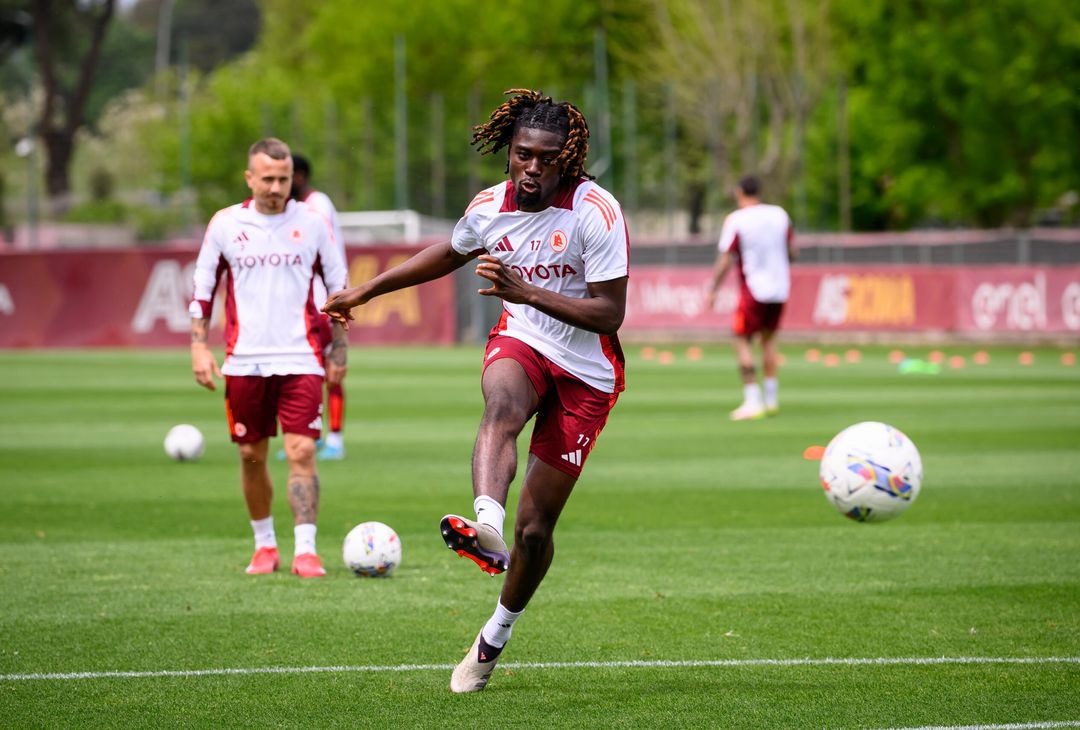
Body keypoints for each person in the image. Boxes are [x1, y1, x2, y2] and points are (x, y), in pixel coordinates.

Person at [322, 89, 629, 692]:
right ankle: (486, 523)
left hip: (588, 370)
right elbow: (449, 252)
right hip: (523, 339)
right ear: (508, 153)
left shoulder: (596, 212)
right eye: (522, 155)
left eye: (546, 158)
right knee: (503, 405)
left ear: (567, 159)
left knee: (536, 531)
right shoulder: (491, 206)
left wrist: (527, 291)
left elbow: (609, 314)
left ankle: (492, 639)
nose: (533, 168)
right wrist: (366, 290)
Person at [189, 137, 349, 578]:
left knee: (301, 451)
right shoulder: (224, 224)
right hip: (244, 361)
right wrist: (198, 347)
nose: (277, 187)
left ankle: (306, 550)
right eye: (268, 179)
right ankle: (264, 546)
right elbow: (203, 292)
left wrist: (340, 346)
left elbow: (339, 288)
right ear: (250, 178)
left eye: (283, 178)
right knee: (250, 455)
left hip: (301, 357)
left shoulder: (313, 222)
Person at [705, 175, 796, 421]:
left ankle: (753, 400)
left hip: (754, 288)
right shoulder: (779, 214)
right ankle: (772, 399)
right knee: (769, 341)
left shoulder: (737, 219)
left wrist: (713, 288)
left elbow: (726, 258)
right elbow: (792, 251)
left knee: (741, 339)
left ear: (739, 192)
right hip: (780, 288)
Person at [290, 154, 348, 461]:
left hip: (322, 299)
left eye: (286, 177)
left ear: (298, 176)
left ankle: (335, 438)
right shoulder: (299, 208)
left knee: (329, 369)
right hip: (304, 301)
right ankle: (307, 438)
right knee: (304, 370)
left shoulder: (317, 205)